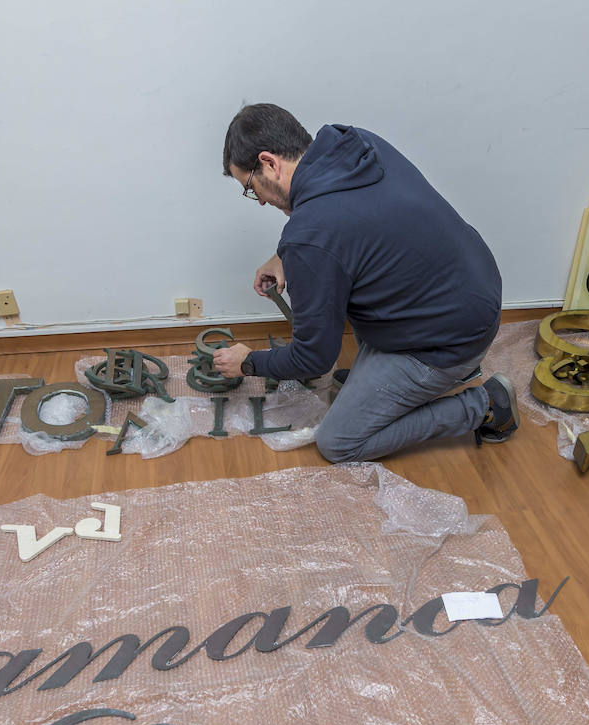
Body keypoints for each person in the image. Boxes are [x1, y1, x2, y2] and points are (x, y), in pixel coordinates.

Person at [213, 103, 519, 463]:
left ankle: (484, 404)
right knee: (350, 283)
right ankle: (430, 374)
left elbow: (314, 359)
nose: (260, 202)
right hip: (472, 292)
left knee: (338, 442)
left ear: (269, 163)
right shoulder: (355, 145)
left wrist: (250, 363)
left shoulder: (311, 237)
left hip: (447, 340)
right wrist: (285, 255)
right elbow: (352, 226)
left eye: (251, 187)